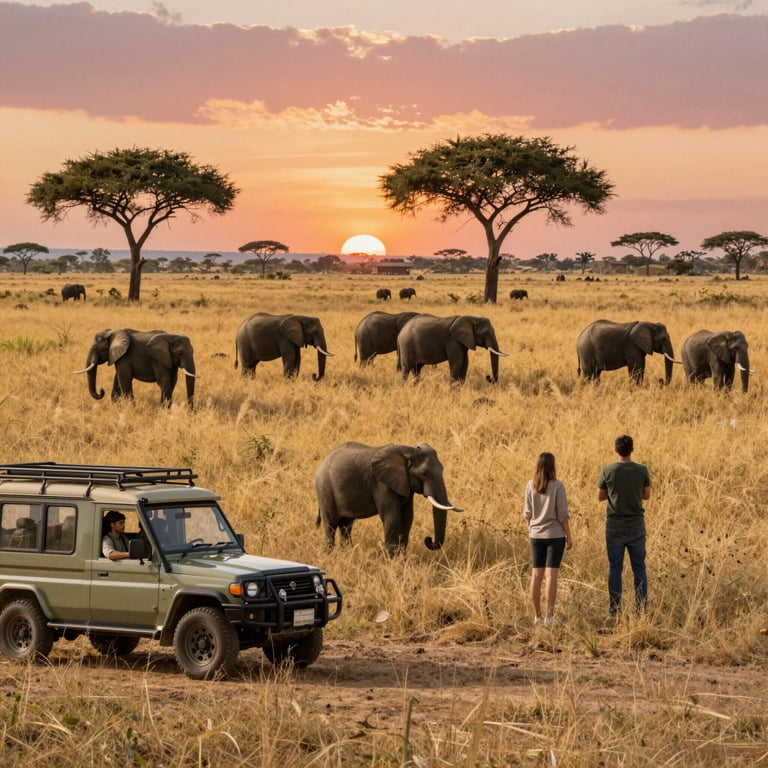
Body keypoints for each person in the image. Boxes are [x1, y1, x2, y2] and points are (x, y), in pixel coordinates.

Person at [597, 435, 651, 620]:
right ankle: (641, 610)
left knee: (615, 569)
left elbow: (600, 496)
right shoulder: (642, 470)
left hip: (614, 526)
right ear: (632, 449)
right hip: (636, 525)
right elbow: (647, 495)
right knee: (639, 569)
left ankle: (614, 611)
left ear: (615, 450)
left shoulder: (607, 470)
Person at [524, 452, 572, 625]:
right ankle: (549, 617)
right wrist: (569, 536)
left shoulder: (530, 485)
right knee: (551, 576)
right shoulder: (558, 486)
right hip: (554, 535)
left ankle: (537, 616)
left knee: (536, 576)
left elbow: (527, 514)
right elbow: (563, 515)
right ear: (553, 466)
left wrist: (532, 530)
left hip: (535, 535)